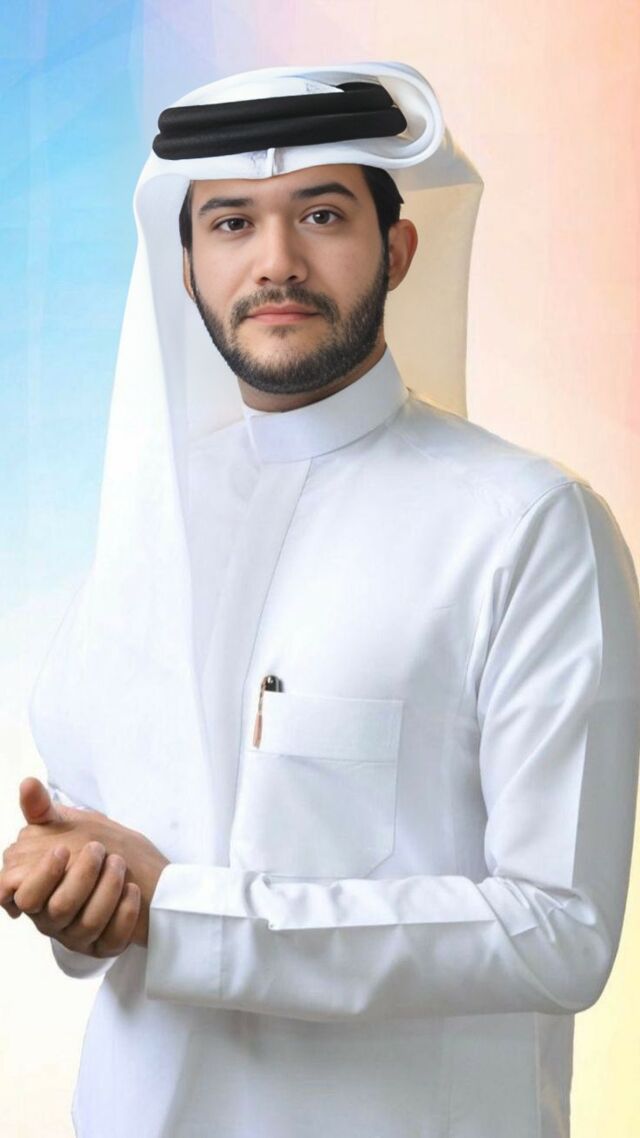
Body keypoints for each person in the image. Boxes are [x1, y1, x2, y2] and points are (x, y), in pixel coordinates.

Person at [2, 61, 640, 1138]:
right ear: (188, 267)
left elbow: (559, 932)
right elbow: (107, 865)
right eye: (232, 223)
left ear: (398, 249)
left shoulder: (527, 524)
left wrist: (184, 913)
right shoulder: (144, 524)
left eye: (322, 214)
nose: (277, 261)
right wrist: (77, 886)